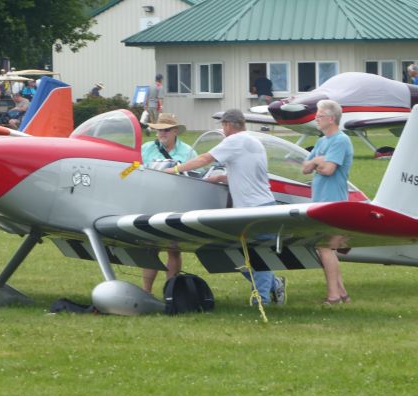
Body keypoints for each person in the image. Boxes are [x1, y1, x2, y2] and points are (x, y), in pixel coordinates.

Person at [164, 109, 286, 306]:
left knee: (254, 255)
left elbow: (204, 159)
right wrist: (224, 177)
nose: (223, 130)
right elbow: (249, 172)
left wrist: (175, 169)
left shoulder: (234, 141)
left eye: (223, 126)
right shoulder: (255, 142)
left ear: (228, 125)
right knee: (238, 254)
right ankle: (274, 284)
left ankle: (261, 300)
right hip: (262, 205)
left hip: (253, 209)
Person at [301, 99, 353, 305]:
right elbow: (305, 167)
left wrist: (318, 163)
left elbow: (329, 170)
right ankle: (342, 295)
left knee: (325, 247)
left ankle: (333, 296)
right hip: (319, 202)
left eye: (319, 116)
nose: (316, 119)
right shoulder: (322, 142)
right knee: (325, 248)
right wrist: (316, 161)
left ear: (331, 119)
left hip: (335, 203)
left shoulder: (341, 140)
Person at [140, 113, 197, 295]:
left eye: (165, 130)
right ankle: (146, 292)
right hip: (150, 202)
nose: (161, 134)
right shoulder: (146, 148)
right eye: (158, 130)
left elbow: (199, 176)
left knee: (174, 250)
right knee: (150, 249)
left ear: (174, 131)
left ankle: (170, 292)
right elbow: (131, 169)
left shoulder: (188, 152)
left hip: (177, 203)